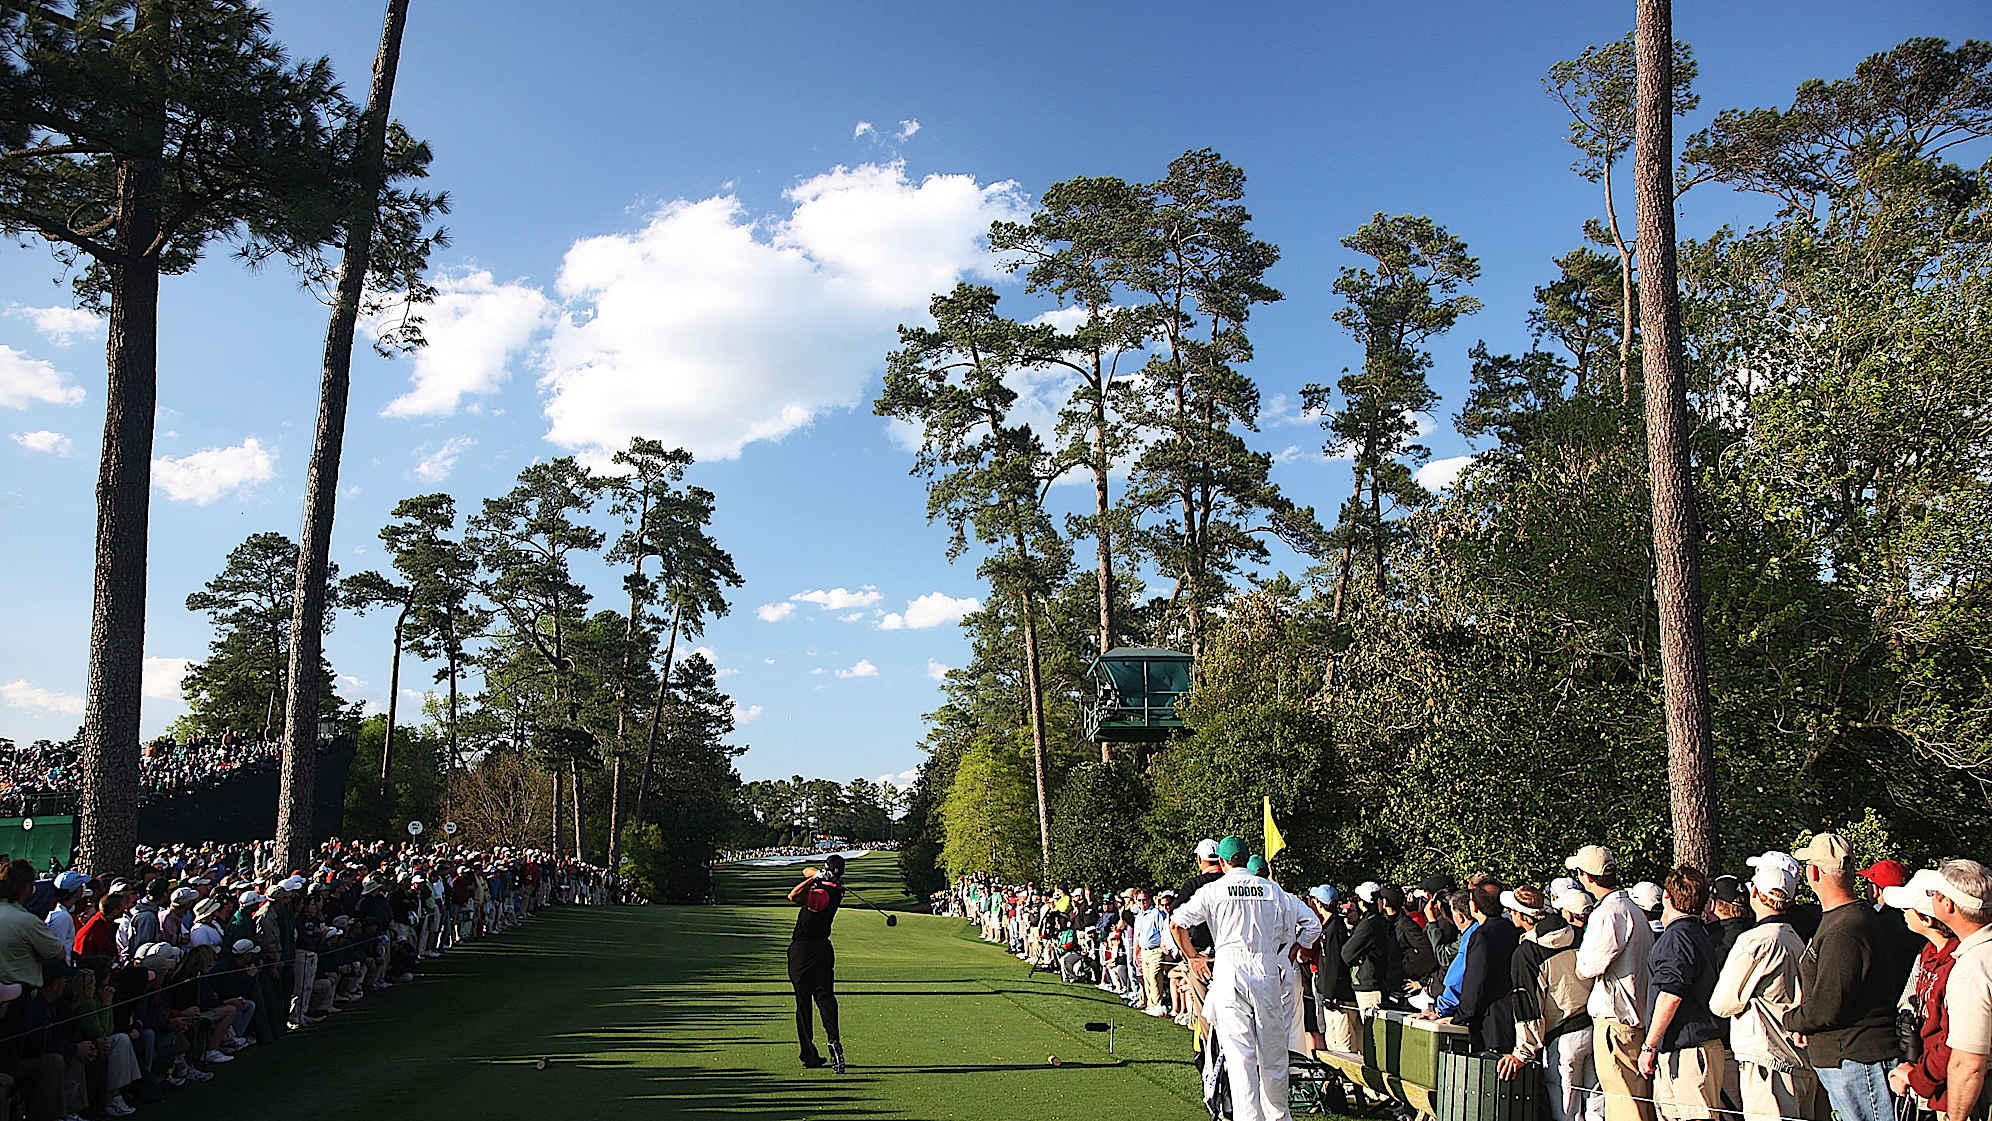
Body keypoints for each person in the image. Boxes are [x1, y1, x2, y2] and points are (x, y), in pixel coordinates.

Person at [1170, 835, 1322, 1121]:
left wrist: (1193, 957)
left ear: (1224, 862)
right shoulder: (1272, 891)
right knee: (1273, 1054)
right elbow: (1305, 926)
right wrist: (1291, 949)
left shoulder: (1214, 891)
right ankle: (1278, 1116)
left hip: (1230, 972)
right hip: (1266, 971)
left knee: (1240, 1057)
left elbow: (1177, 922)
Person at [1787, 833, 1903, 1121]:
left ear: (1814, 872)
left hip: (1857, 1059)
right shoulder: (1850, 918)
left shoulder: (1846, 928)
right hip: (1847, 1056)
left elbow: (1829, 1004)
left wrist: (1794, 1020)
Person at [1710, 854, 1819, 1121]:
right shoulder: (1797, 938)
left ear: (1755, 893)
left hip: (1767, 1060)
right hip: (1799, 1059)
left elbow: (1722, 1003)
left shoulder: (1755, 941)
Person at [1570, 843, 1656, 1121]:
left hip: (1616, 1024)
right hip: (1633, 1019)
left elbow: (1586, 968)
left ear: (1587, 877)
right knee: (1633, 1102)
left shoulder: (1608, 913)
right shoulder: (1631, 908)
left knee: (1624, 1106)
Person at [1503, 884, 1599, 1121]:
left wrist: (1523, 1052)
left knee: (1566, 1112)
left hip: (1562, 1037)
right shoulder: (1578, 935)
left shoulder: (1526, 953)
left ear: (1519, 914)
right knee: (1597, 1109)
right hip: (1593, 1026)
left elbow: (1528, 1006)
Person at [1638, 867, 1726, 1121]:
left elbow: (1671, 995)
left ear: (1667, 897)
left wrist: (1649, 1046)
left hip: (1690, 1052)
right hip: (1688, 1048)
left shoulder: (1677, 938)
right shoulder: (1699, 934)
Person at [1884, 869, 1958, 1120]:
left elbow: (1955, 1043)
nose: (1903, 914)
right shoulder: (1927, 954)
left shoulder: (1959, 963)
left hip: (1954, 1092)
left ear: (1926, 919)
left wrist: (1917, 1077)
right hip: (1932, 1082)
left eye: (1907, 908)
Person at [1925, 859, 1990, 1121]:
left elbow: (1969, 1064)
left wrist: (1956, 1118)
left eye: (1933, 894)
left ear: (1948, 905)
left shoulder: (1974, 968)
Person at [786, 854, 846, 1073]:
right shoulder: (838, 888)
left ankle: (809, 1054)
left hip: (803, 951)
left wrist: (815, 879)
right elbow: (807, 870)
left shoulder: (822, 895)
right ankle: (833, 1040)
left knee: (804, 1004)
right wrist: (820, 875)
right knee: (826, 999)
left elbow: (793, 896)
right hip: (823, 950)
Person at [1451, 881, 1521, 1052]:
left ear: (1474, 906)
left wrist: (1460, 1017)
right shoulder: (1512, 929)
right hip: (1511, 1013)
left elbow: (1475, 980)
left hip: (1490, 1020)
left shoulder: (1482, 935)